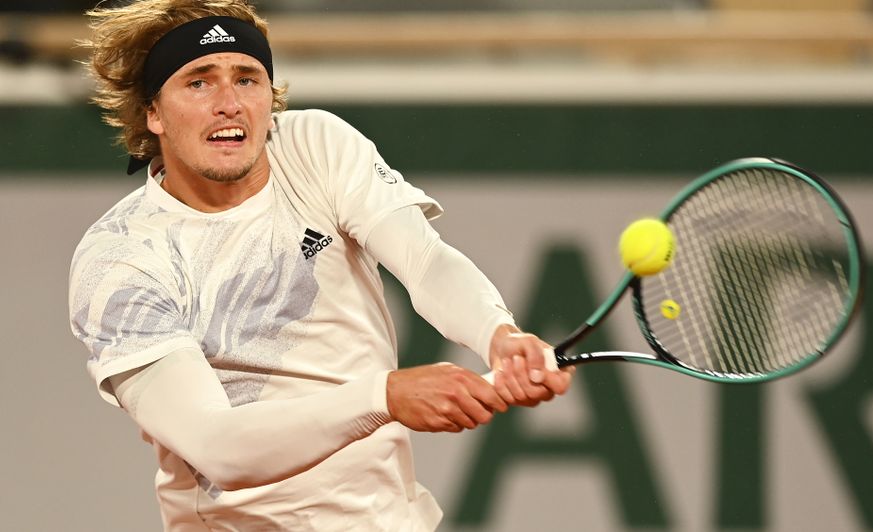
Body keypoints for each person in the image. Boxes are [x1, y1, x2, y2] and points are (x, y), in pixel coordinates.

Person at [68, 1, 573, 530]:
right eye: (199, 82)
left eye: (247, 79)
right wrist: (385, 396)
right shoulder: (121, 261)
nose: (229, 104)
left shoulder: (315, 145)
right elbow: (219, 448)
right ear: (153, 113)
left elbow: (424, 260)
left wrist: (498, 333)